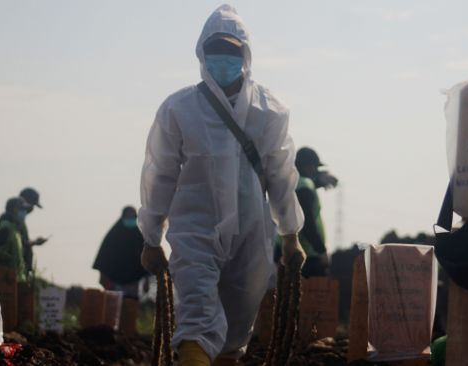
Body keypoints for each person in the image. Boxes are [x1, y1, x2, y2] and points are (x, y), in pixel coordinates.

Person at [138, 5, 305, 365]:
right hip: (195, 228)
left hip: (251, 231)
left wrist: (290, 232)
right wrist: (151, 236)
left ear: (245, 54)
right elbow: (160, 173)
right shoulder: (179, 108)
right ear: (201, 52)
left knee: (235, 329)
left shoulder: (270, 110)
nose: (223, 58)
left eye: (231, 50)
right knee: (196, 316)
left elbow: (280, 173)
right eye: (216, 49)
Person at [289, 147, 338, 277]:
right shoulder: (305, 186)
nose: (316, 171)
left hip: (292, 251)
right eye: (315, 168)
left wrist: (319, 181)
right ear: (309, 167)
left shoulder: (293, 183)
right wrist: (321, 250)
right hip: (307, 255)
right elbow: (306, 223)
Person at [92, 206, 149, 299]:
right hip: (113, 284)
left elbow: (146, 258)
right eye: (128, 217)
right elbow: (104, 256)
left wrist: (147, 280)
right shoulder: (113, 236)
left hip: (133, 286)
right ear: (122, 217)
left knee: (129, 310)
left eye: (133, 217)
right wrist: (102, 275)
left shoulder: (138, 238)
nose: (130, 220)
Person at [18, 187, 48, 275]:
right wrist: (35, 242)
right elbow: (19, 243)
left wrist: (34, 242)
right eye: (32, 205)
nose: (32, 209)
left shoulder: (20, 222)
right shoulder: (13, 222)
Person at [0, 198, 28, 282]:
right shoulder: (5, 228)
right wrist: (11, 260)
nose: (25, 212)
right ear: (14, 209)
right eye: (23, 209)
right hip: (4, 280)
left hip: (13, 280)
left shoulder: (15, 230)